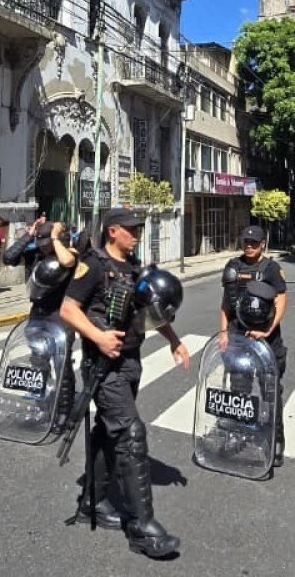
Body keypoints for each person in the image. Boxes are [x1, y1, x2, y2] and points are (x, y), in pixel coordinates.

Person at [58, 209, 189, 559]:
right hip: (103, 365)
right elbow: (69, 310)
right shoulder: (94, 264)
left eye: (139, 230)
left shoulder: (134, 268)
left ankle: (92, 502)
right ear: (112, 231)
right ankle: (142, 527)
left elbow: (148, 310)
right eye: (132, 230)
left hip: (131, 362)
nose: (137, 235)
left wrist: (174, 339)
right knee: (131, 433)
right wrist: (98, 337)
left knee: (107, 431)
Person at [218, 224, 289, 470]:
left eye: (254, 243)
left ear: (262, 244)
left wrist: (268, 329)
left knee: (270, 391)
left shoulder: (271, 268)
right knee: (238, 390)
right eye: (246, 242)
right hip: (238, 336)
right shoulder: (233, 267)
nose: (249, 246)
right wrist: (224, 333)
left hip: (266, 338)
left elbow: (281, 300)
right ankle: (237, 434)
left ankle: (275, 441)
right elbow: (226, 303)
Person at [6, 213, 80, 430]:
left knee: (62, 364)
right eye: (42, 243)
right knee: (38, 363)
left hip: (60, 315)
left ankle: (64, 414)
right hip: (38, 313)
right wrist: (29, 235)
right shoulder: (36, 254)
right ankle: (42, 407)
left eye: (47, 243)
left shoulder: (69, 254)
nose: (44, 247)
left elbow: (67, 260)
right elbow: (9, 258)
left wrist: (56, 238)